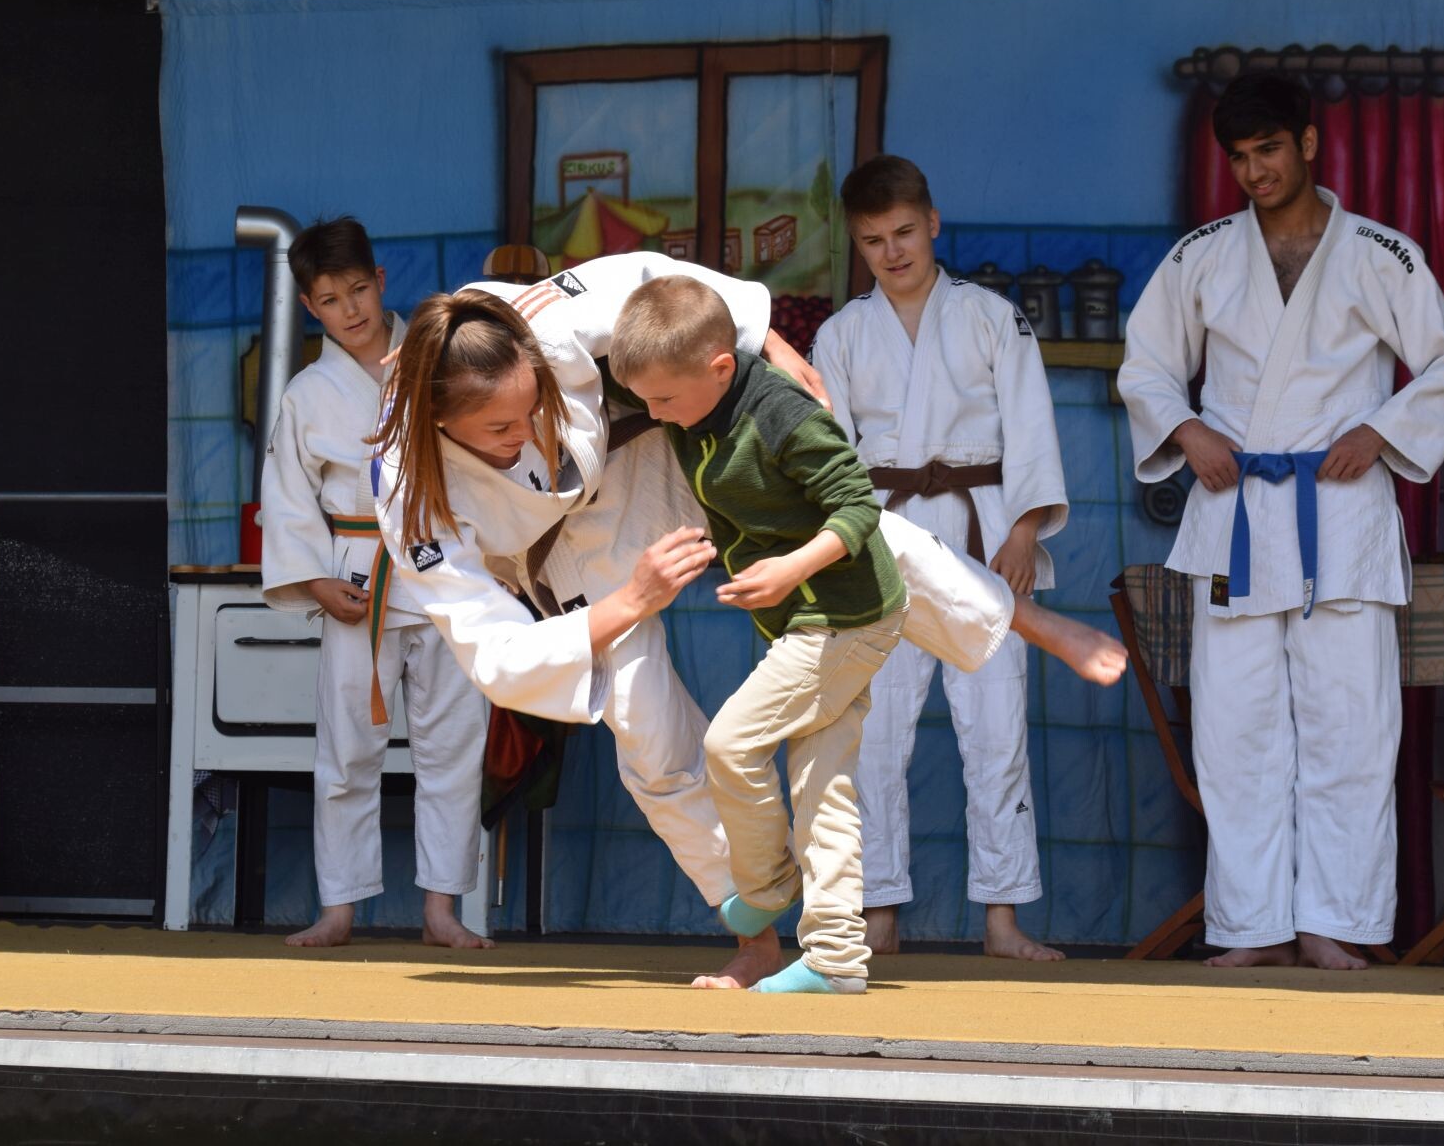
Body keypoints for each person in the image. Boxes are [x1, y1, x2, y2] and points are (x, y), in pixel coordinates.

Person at [371, 253, 1126, 987]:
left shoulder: (533, 320)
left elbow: (653, 280)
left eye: (532, 405)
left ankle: (1020, 615)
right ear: (439, 422)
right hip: (561, 559)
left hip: (638, 447)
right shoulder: (407, 488)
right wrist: (631, 599)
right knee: (650, 740)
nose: (526, 431)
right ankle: (755, 933)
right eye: (500, 429)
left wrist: (769, 344)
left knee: (820, 522)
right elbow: (494, 655)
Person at [1117, 73, 1444, 969]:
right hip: (1233, 512)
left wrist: (1381, 429)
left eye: (1270, 149)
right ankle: (1252, 927)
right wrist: (1187, 430)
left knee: (1349, 728)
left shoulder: (1382, 255)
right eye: (1240, 157)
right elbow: (1146, 366)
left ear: (1309, 144)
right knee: (1234, 731)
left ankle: (1334, 922)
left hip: (1340, 514)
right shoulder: (1202, 256)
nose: (1255, 171)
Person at [612, 276, 906, 994]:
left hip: (843, 616)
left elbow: (858, 504)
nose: (652, 414)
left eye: (662, 400)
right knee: (822, 788)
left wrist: (789, 570)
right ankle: (836, 958)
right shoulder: (688, 400)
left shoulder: (784, 415)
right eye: (643, 399)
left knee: (730, 744)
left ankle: (767, 888)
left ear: (720, 369)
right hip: (810, 618)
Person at [813, 155, 1067, 962]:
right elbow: (830, 450)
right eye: (873, 240)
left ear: (933, 223)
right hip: (882, 532)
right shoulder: (841, 334)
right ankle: (878, 910)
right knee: (872, 732)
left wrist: (1024, 529)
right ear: (858, 244)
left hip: (981, 530)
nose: (892, 252)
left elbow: (1030, 425)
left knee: (996, 728)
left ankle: (1003, 918)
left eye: (904, 233)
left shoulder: (992, 317)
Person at [257, 217, 491, 950]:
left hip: (446, 568)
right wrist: (314, 580)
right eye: (329, 300)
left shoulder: (438, 358)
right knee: (347, 751)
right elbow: (288, 497)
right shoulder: (307, 393)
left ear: (380, 281)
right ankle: (338, 908)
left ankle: (442, 909)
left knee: (453, 746)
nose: (350, 309)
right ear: (309, 307)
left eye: (358, 290)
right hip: (357, 579)